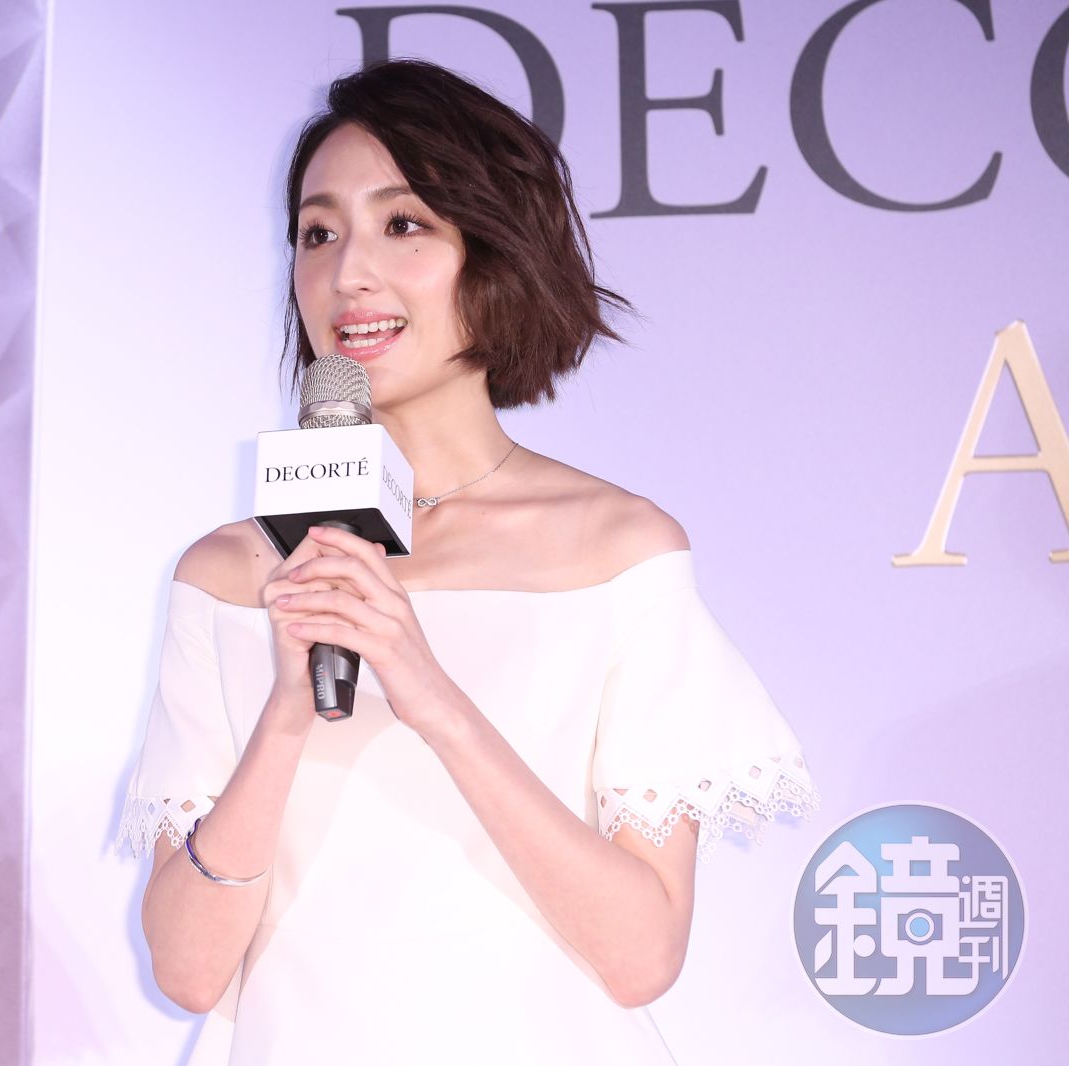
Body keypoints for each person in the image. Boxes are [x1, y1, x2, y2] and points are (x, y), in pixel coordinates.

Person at [116, 58, 821, 1065]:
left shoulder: (617, 551)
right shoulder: (230, 575)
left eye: (403, 224)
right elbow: (187, 973)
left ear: (494, 253)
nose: (349, 274)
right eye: (318, 234)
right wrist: (287, 712)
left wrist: (432, 697)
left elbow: (642, 958)